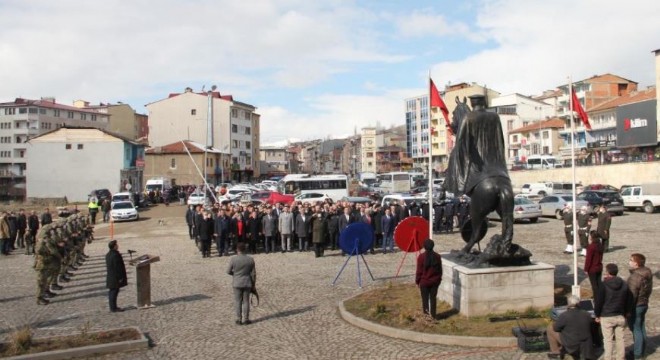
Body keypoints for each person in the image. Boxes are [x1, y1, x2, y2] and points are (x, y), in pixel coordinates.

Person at [595, 263, 631, 360]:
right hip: (620, 315)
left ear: (607, 272)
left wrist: (597, 315)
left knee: (608, 340)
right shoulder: (624, 283)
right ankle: (621, 357)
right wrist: (627, 312)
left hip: (607, 315)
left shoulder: (604, 285)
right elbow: (629, 299)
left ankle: (608, 358)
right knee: (620, 339)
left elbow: (599, 301)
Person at [546, 295, 595, 359]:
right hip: (586, 344)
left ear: (568, 304)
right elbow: (591, 327)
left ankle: (556, 352)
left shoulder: (564, 315)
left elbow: (556, 328)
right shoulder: (587, 314)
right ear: (579, 303)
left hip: (571, 344)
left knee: (550, 328)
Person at [627, 253, 653, 360]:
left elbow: (632, 295)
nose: (629, 262)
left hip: (636, 305)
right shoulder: (647, 273)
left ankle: (637, 353)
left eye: (631, 260)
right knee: (641, 327)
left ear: (636, 263)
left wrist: (628, 309)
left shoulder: (635, 277)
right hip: (644, 303)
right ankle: (642, 350)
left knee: (636, 328)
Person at [227, 242, 256, 325]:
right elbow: (253, 274)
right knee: (246, 301)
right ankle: (246, 319)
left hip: (237, 282)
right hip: (247, 282)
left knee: (238, 301)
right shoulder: (250, 259)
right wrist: (253, 284)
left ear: (237, 249)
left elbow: (228, 271)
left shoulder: (233, 259)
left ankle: (239, 319)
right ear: (245, 249)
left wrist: (235, 274)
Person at [415, 239, 443, 318]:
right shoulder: (437, 256)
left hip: (424, 282)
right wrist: (439, 279)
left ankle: (426, 317)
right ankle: (433, 316)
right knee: (433, 299)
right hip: (434, 281)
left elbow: (419, 271)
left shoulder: (421, 257)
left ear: (424, 247)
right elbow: (440, 270)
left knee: (425, 300)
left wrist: (417, 281)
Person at [105, 240, 127, 312]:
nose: (117, 246)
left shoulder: (108, 254)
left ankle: (113, 307)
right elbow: (118, 267)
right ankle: (113, 308)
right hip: (115, 277)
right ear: (114, 246)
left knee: (112, 292)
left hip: (111, 276)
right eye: (116, 245)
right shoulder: (115, 255)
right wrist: (120, 277)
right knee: (114, 292)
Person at [584, 230, 603, 302]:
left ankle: (596, 298)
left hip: (592, 268)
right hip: (599, 266)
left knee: (594, 284)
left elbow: (588, 259)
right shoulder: (600, 245)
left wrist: (586, 269)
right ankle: (599, 295)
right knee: (599, 283)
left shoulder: (591, 247)